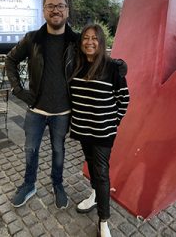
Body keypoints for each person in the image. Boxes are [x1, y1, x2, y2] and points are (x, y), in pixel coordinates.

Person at [5, 0, 127, 210]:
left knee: (59, 151)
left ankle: (58, 185)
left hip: (63, 112)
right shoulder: (32, 39)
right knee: (30, 149)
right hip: (36, 110)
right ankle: (29, 184)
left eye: (60, 6)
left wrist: (116, 64)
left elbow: (95, 54)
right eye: (50, 6)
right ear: (44, 11)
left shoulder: (76, 41)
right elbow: (10, 61)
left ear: (67, 11)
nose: (55, 10)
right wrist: (18, 90)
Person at [69, 23, 130, 237]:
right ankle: (95, 195)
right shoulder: (75, 66)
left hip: (103, 132)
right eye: (86, 37)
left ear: (101, 42)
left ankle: (104, 220)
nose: (89, 42)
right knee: (92, 165)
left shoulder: (112, 67)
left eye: (94, 38)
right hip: (83, 129)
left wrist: (114, 122)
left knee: (102, 172)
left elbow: (124, 99)